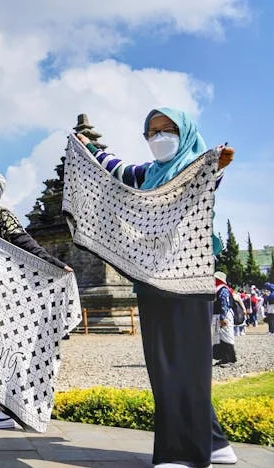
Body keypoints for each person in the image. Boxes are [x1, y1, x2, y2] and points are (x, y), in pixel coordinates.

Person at [76, 107, 237, 467]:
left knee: (182, 366)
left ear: (185, 132)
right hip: (150, 278)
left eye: (167, 129)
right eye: (151, 132)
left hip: (187, 279)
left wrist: (218, 163)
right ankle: (214, 443)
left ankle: (185, 453)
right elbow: (116, 168)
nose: (158, 138)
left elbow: (212, 173)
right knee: (167, 365)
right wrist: (88, 147)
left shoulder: (197, 166)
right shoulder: (148, 175)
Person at [0, 169, 74, 430]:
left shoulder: (2, 217)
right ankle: (4, 407)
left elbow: (26, 245)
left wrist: (56, 265)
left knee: (8, 350)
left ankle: (6, 411)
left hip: (8, 299)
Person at [213, 272, 237, 366]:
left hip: (224, 315)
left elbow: (224, 304)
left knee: (226, 336)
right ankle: (223, 357)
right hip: (218, 315)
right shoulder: (217, 289)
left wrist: (223, 317)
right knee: (219, 337)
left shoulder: (223, 289)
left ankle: (230, 359)